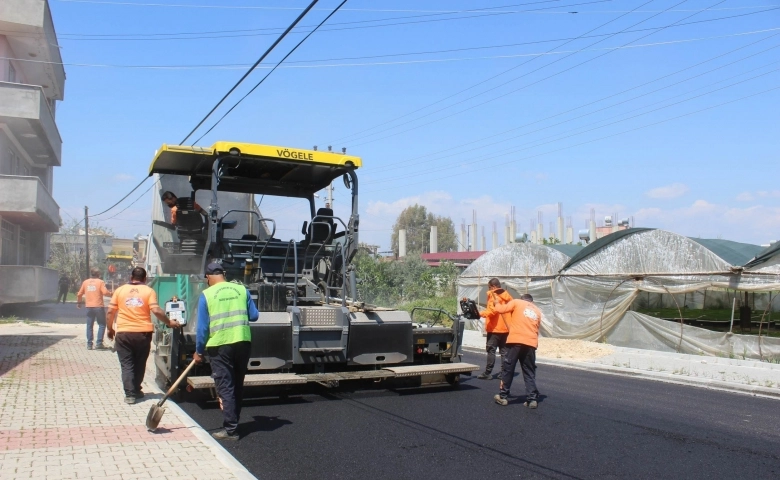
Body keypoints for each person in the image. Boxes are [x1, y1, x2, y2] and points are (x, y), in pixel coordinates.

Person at [193, 263, 259, 441]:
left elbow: (202, 329)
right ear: (223, 274)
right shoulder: (241, 289)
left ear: (208, 277)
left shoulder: (207, 295)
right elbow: (254, 316)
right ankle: (234, 422)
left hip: (220, 344)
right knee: (237, 384)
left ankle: (231, 430)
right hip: (242, 341)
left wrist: (198, 351)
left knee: (225, 386)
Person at [106, 267, 180, 404]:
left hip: (123, 333)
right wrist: (169, 322)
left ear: (131, 277)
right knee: (140, 363)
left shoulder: (120, 290)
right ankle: (136, 390)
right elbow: (156, 310)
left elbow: (110, 312)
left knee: (127, 364)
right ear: (145, 278)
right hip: (143, 334)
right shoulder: (148, 291)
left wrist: (110, 329)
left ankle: (130, 395)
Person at [491, 293, 543, 409]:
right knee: (529, 371)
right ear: (531, 302)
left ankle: (503, 396)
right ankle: (532, 399)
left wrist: (496, 303)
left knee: (508, 368)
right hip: (531, 343)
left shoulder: (517, 302)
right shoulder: (537, 311)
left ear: (522, 299)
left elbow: (501, 309)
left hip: (516, 341)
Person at [476, 278, 512, 380]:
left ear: (494, 287)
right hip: (505, 328)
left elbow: (492, 311)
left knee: (491, 350)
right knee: (504, 352)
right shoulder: (507, 296)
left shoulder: (494, 295)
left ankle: (488, 372)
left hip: (495, 328)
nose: (489, 289)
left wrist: (479, 314)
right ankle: (504, 372)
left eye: (489, 287)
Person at [77, 268, 111, 350]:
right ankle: (99, 343)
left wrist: (79, 303)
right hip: (98, 306)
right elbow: (105, 292)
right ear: (98, 274)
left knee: (89, 325)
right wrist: (112, 293)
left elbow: (79, 293)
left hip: (89, 306)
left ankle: (89, 344)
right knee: (102, 324)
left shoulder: (85, 282)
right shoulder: (100, 282)